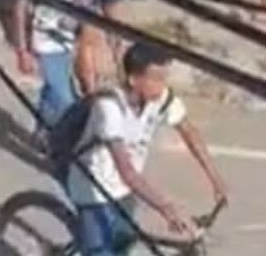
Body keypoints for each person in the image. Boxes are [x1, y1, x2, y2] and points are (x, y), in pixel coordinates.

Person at [65, 42, 228, 254]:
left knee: (123, 245)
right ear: (133, 80)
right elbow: (127, 171)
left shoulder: (160, 99)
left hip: (126, 190)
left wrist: (215, 178)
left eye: (164, 78)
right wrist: (166, 208)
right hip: (93, 188)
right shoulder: (109, 108)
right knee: (99, 250)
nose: (162, 86)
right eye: (156, 79)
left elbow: (189, 132)